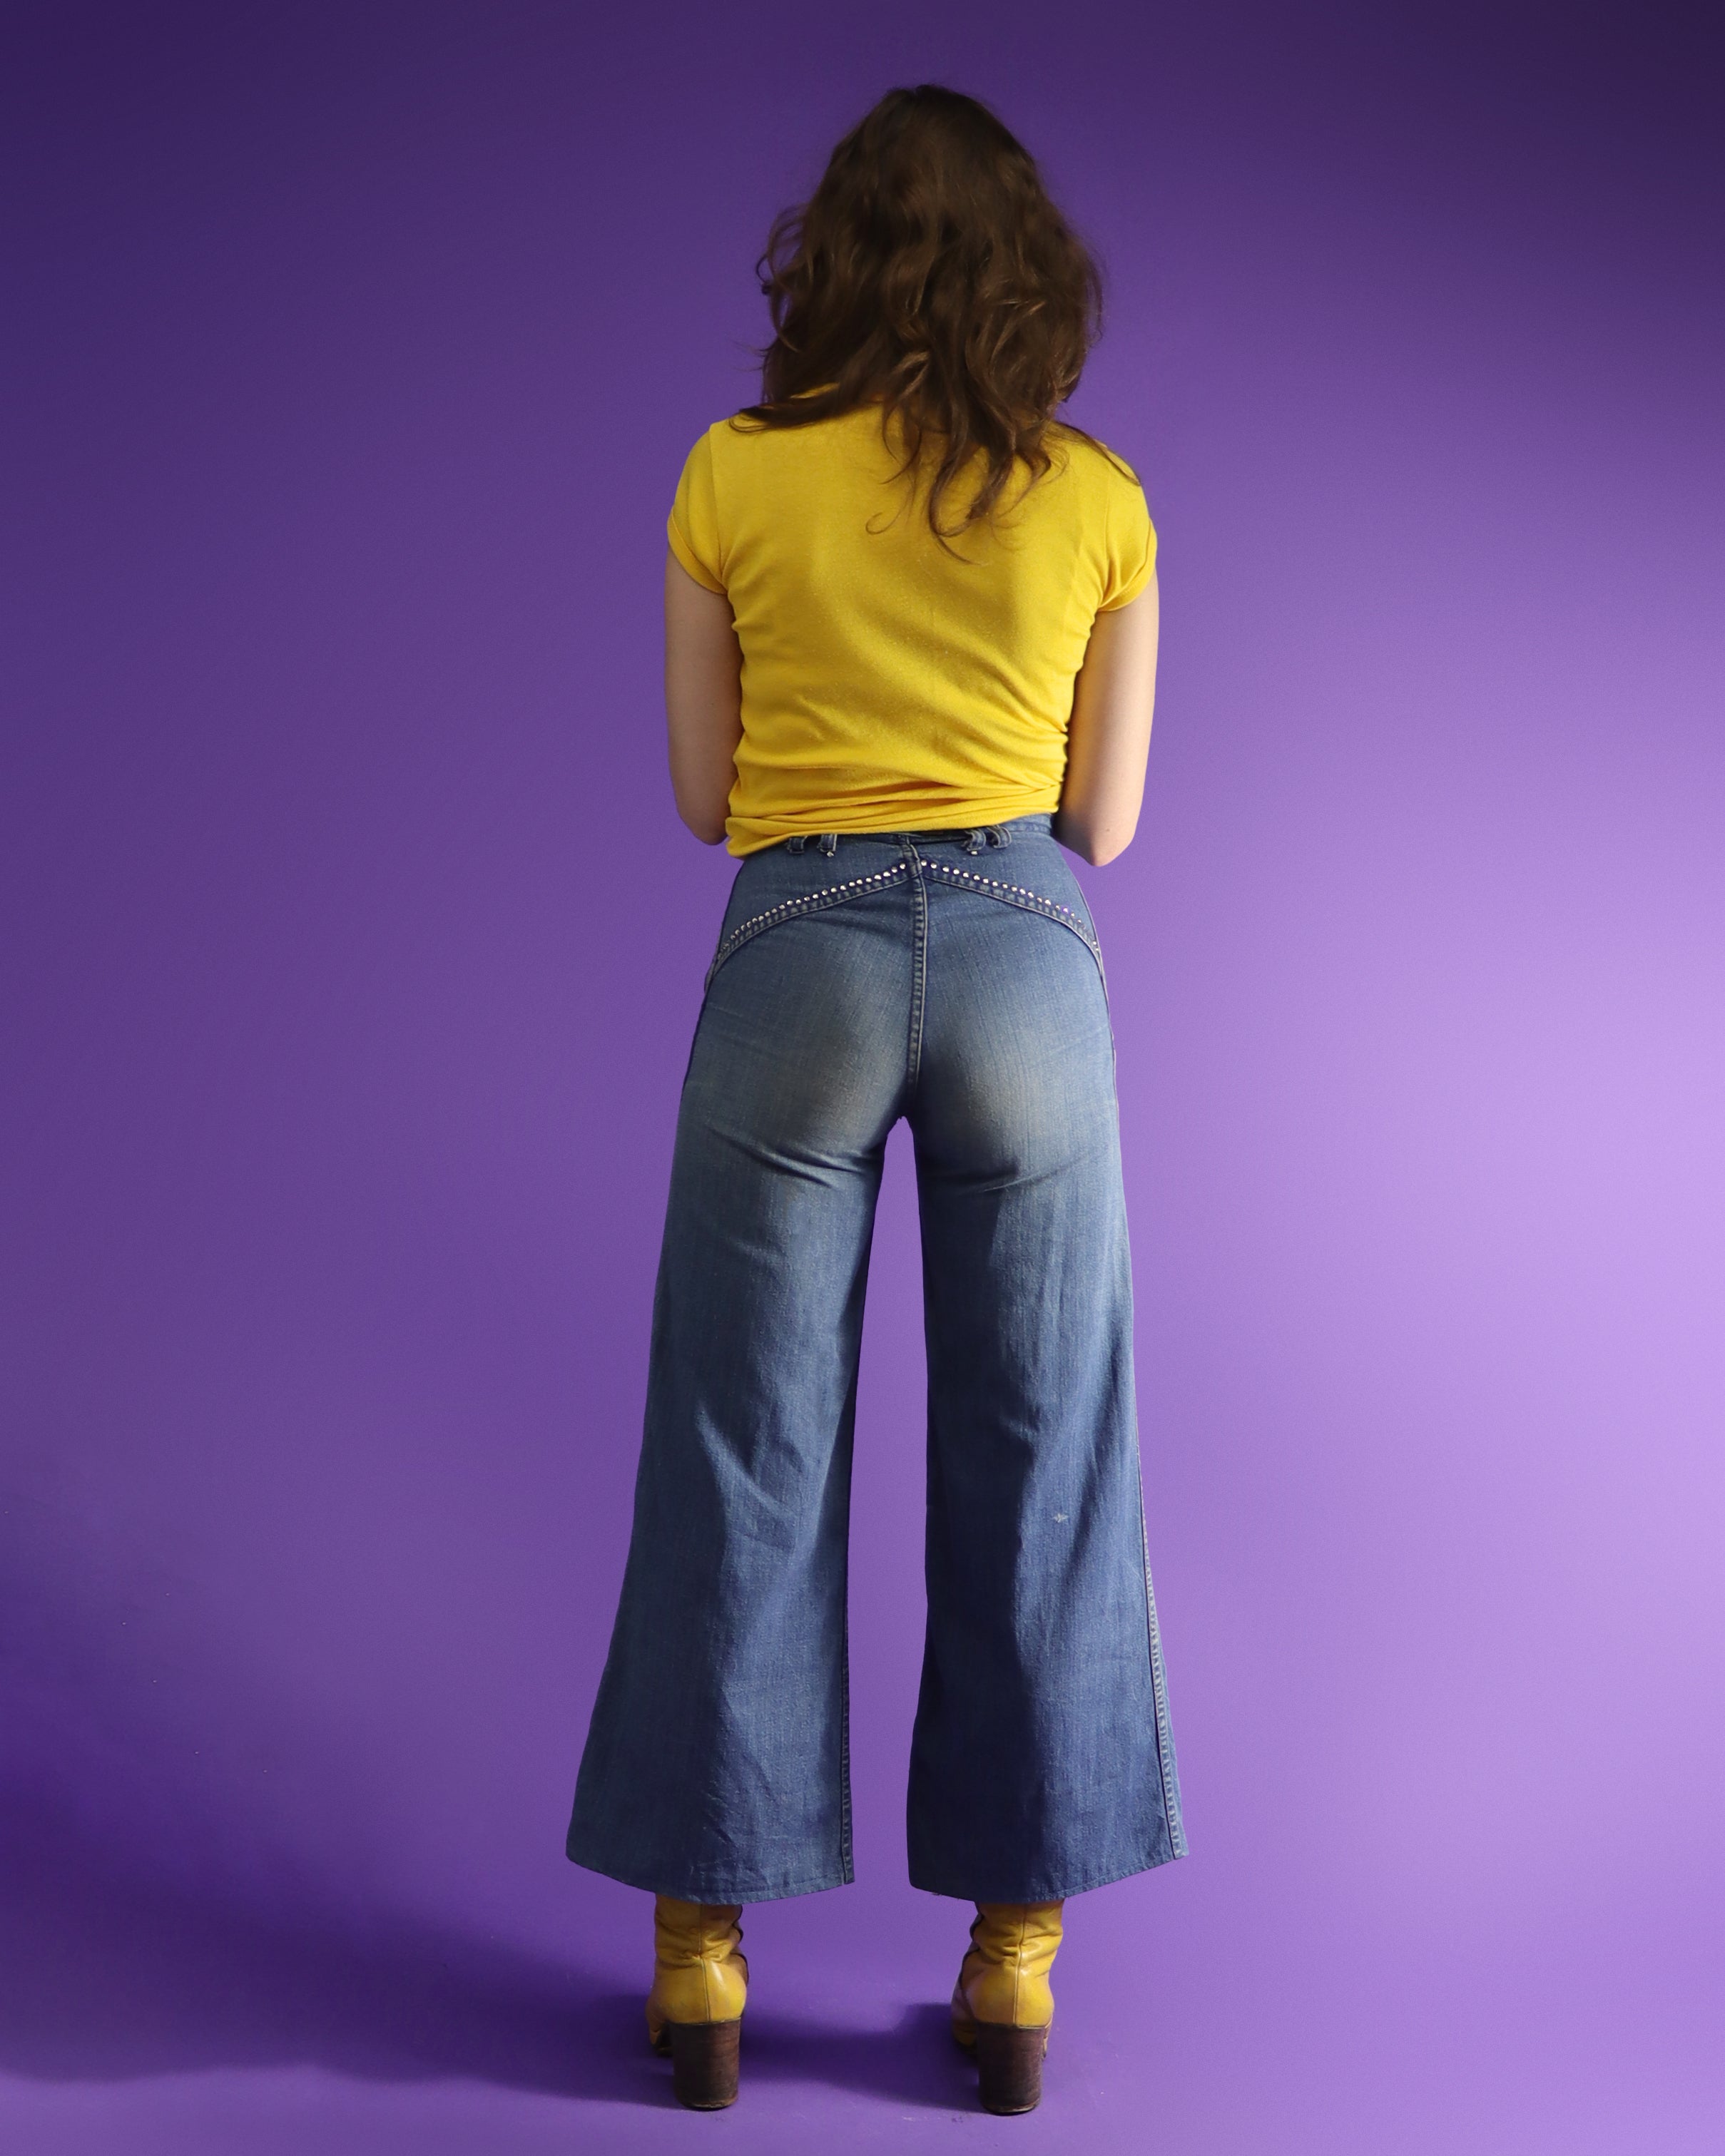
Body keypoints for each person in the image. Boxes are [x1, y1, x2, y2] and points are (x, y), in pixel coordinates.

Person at [567, 83, 1184, 2115]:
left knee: (741, 1444)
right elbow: (1105, 821)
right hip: (1023, 958)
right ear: (1033, 280)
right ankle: (1013, 1967)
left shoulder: (728, 476)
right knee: (1042, 1443)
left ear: (825, 263)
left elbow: (702, 798)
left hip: (798, 952)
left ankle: (701, 1957)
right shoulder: (1099, 502)